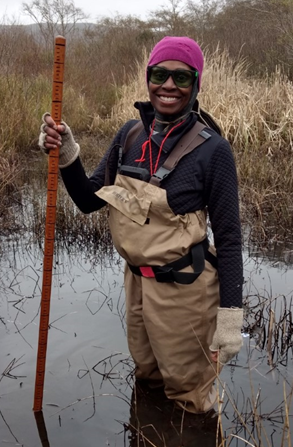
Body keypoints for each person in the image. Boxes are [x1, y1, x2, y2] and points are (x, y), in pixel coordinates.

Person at [39, 36, 243, 414]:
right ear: (148, 78)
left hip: (186, 291)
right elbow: (87, 200)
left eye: (181, 78)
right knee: (147, 379)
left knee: (191, 398)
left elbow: (229, 239)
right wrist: (66, 152)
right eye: (159, 74)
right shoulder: (129, 136)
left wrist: (230, 318)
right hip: (137, 284)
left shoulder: (214, 150)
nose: (168, 85)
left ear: (197, 83)